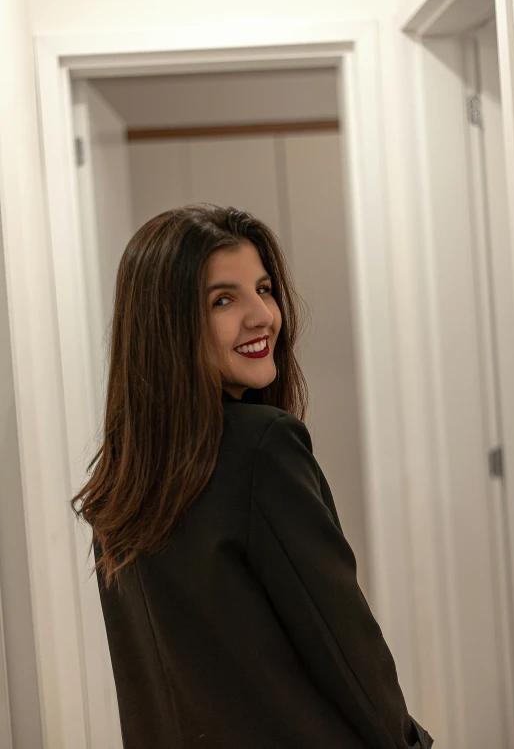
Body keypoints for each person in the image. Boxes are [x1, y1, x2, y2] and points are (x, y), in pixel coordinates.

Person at [71, 204, 434, 749]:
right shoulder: (262, 447)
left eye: (263, 289)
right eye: (223, 299)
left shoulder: (123, 480)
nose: (262, 314)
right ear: (168, 325)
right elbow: (344, 646)